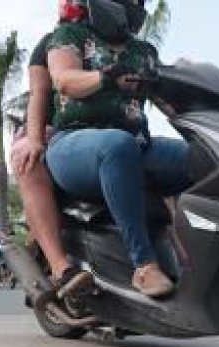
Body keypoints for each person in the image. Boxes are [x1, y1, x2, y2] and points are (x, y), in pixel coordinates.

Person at [46, 0, 188, 298]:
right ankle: (145, 267)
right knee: (117, 144)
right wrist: (105, 77)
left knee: (202, 159)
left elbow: (172, 103)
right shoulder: (71, 36)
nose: (135, 5)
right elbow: (65, 80)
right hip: (74, 146)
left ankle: (203, 262)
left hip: (138, 145)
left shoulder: (144, 52)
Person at [10, 6, 91, 306]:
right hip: (54, 128)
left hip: (102, 133)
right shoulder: (53, 43)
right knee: (28, 160)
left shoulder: (130, 50)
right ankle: (60, 266)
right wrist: (33, 138)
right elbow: (40, 93)